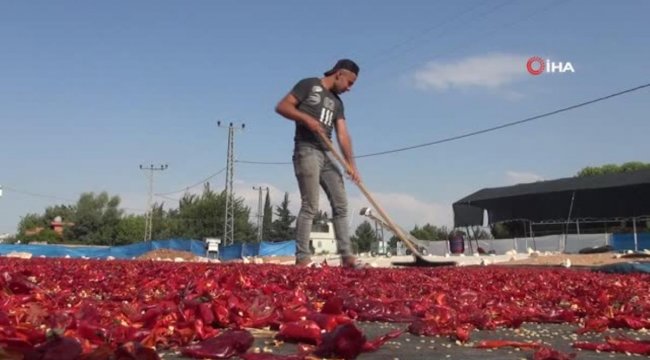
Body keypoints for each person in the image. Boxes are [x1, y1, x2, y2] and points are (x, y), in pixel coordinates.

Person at [275, 59, 361, 268]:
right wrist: (306, 119)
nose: (350, 88)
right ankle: (302, 258)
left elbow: (343, 135)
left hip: (326, 153)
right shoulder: (309, 85)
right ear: (339, 74)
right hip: (306, 150)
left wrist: (352, 166)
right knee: (310, 205)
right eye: (349, 83)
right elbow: (282, 106)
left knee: (341, 205)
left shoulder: (338, 103)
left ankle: (347, 256)